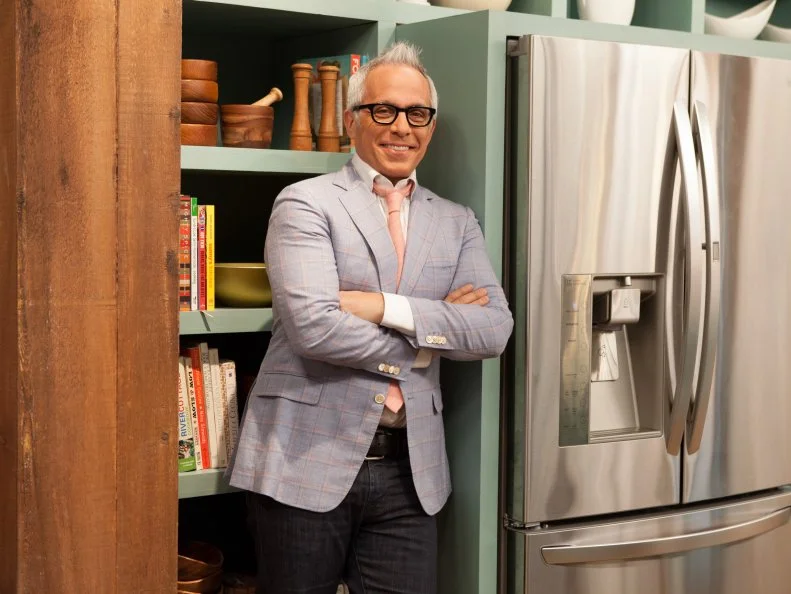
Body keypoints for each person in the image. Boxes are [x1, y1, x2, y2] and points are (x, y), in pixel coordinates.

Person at [228, 41, 514, 594]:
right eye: (383, 110)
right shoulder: (306, 203)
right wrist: (432, 338)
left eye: (417, 114)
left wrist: (384, 307)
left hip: (412, 473)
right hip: (301, 460)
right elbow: (314, 327)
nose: (401, 127)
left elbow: (493, 329)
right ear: (350, 119)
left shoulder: (457, 222)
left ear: (431, 126)